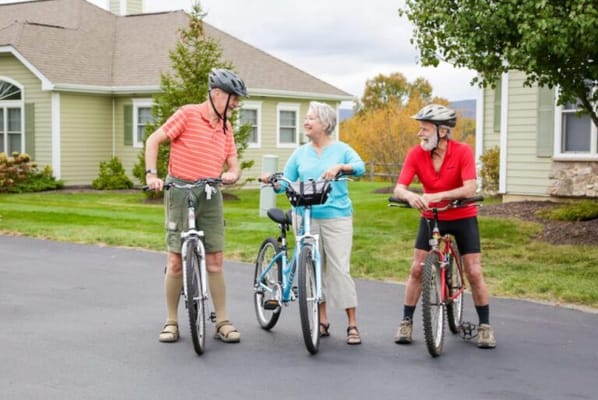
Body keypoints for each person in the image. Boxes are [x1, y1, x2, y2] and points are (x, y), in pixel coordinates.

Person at [145, 68, 247, 344]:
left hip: (211, 192)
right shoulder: (188, 114)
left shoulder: (226, 127)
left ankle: (222, 322)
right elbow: (154, 140)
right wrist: (152, 175)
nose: (236, 104)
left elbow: (234, 164)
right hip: (180, 190)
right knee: (175, 261)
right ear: (217, 94)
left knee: (215, 259)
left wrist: (232, 174)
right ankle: (171, 321)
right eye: (234, 98)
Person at [261, 101, 366, 345]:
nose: (306, 122)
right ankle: (322, 320)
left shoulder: (342, 149)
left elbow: (360, 168)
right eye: (306, 118)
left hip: (336, 216)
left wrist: (341, 167)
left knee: (339, 268)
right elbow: (286, 182)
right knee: (312, 269)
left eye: (311, 118)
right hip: (305, 215)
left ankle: (352, 323)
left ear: (325, 124)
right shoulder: (300, 153)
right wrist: (274, 181)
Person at [392, 104, 496, 349]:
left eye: (425, 129)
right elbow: (399, 187)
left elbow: (470, 187)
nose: (420, 134)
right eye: (420, 129)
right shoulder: (415, 154)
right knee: (417, 268)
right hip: (431, 216)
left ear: (442, 132)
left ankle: (485, 326)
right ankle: (406, 321)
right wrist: (410, 196)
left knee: (474, 271)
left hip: (462, 214)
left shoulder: (462, 152)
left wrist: (439, 196)